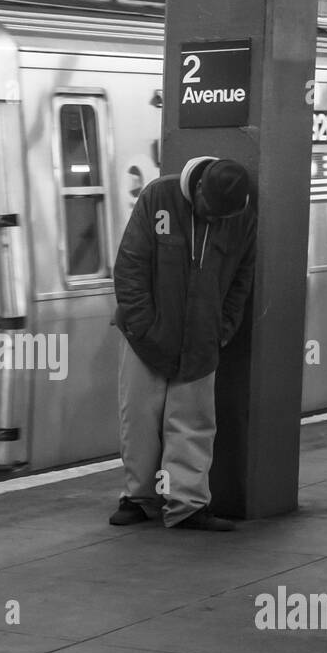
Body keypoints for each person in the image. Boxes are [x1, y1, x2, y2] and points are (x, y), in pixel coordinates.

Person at [110, 156, 257, 532]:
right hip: (146, 337)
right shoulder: (158, 197)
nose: (212, 218)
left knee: (193, 424)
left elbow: (241, 278)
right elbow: (130, 265)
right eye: (208, 210)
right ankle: (139, 498)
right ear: (198, 188)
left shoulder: (240, 217)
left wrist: (223, 328)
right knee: (139, 418)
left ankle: (187, 504)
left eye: (220, 215)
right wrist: (144, 326)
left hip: (202, 337)